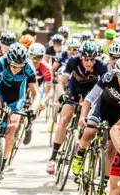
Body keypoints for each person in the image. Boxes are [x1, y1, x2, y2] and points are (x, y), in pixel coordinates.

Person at [71, 56, 120, 178]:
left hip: (119, 115)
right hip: (101, 109)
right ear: (117, 74)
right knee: (89, 131)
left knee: (112, 150)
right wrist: (83, 117)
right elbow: (89, 99)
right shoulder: (108, 77)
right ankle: (79, 155)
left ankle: (104, 182)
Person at [46, 41, 108, 174]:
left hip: (90, 93)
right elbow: (62, 83)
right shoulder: (73, 61)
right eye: (86, 59)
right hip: (73, 89)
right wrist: (62, 95)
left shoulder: (101, 67)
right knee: (64, 118)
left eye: (92, 59)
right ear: (81, 57)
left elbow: (104, 89)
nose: (89, 63)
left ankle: (81, 147)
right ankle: (53, 157)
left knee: (87, 123)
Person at [0, 43, 39, 173]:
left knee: (12, 129)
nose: (16, 69)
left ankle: (2, 165)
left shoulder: (29, 67)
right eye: (14, 66)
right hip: (0, 89)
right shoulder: (2, 61)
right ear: (9, 60)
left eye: (19, 67)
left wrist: (33, 109)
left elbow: (36, 93)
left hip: (17, 96)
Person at [28, 43, 54, 112]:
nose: (35, 60)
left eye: (38, 57)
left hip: (39, 82)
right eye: (33, 57)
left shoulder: (46, 68)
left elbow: (50, 89)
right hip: (26, 81)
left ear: (43, 57)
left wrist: (44, 101)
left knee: (38, 100)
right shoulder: (24, 63)